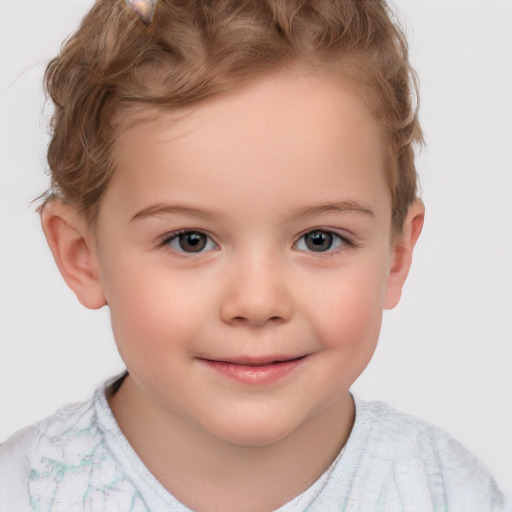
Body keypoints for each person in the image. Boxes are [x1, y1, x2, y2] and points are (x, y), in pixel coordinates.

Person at [0, 0, 506, 510]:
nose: (258, 301)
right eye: (190, 240)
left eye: (320, 239)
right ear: (83, 255)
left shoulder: (448, 492)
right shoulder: (22, 492)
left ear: (396, 255)